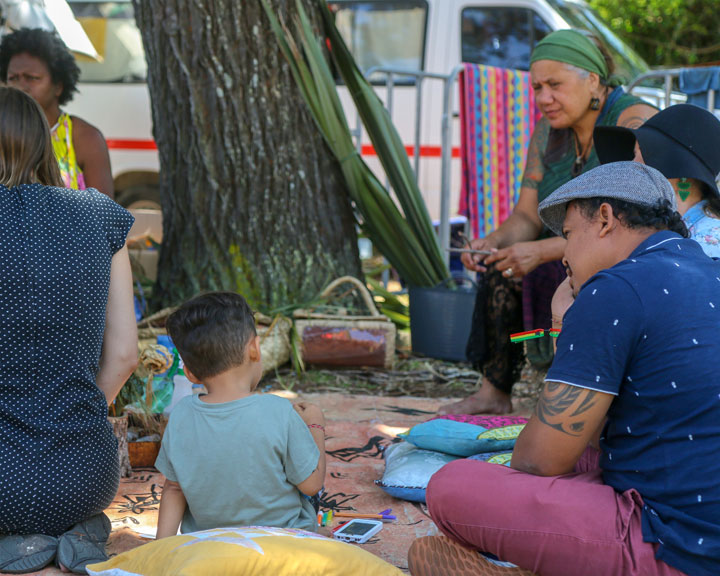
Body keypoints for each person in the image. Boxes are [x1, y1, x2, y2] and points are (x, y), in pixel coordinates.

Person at [409, 162, 720, 576]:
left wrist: (562, 324)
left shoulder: (615, 287)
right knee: (589, 458)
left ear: (606, 219)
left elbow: (539, 461)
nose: (565, 257)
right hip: (695, 512)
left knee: (452, 486)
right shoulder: (710, 270)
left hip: (675, 545)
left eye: (569, 235)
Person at [441, 29, 657, 416]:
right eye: (537, 87)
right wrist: (493, 242)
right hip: (565, 249)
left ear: (592, 79)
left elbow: (632, 224)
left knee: (556, 273)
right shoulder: (548, 132)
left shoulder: (633, 118)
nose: (543, 99)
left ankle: (576, 396)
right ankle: (494, 390)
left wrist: (540, 251)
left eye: (554, 85)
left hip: (622, 254)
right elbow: (526, 214)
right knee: (499, 268)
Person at [0, 87, 137, 574]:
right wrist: (71, 415)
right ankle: (77, 533)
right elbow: (124, 355)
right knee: (69, 506)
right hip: (85, 473)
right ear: (44, 144)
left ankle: (21, 547)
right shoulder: (100, 214)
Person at [155, 292, 326, 538]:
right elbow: (311, 484)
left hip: (209, 545)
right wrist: (315, 426)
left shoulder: (181, 414)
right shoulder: (279, 411)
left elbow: (173, 488)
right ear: (255, 349)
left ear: (190, 372)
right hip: (283, 544)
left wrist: (162, 550)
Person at [594, 103, 720, 258]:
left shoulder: (708, 242)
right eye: (634, 153)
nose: (633, 164)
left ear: (680, 167)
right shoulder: (643, 224)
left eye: (643, 151)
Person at [0, 28, 114, 196]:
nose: (21, 86)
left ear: (58, 86)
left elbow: (105, 216)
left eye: (32, 78)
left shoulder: (84, 138)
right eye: (13, 78)